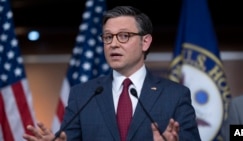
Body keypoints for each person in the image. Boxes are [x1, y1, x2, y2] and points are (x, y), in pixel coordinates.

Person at [23, 6, 201, 141]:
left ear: (145, 42)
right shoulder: (82, 94)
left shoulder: (175, 95)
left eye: (123, 36)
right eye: (108, 37)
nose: (113, 44)